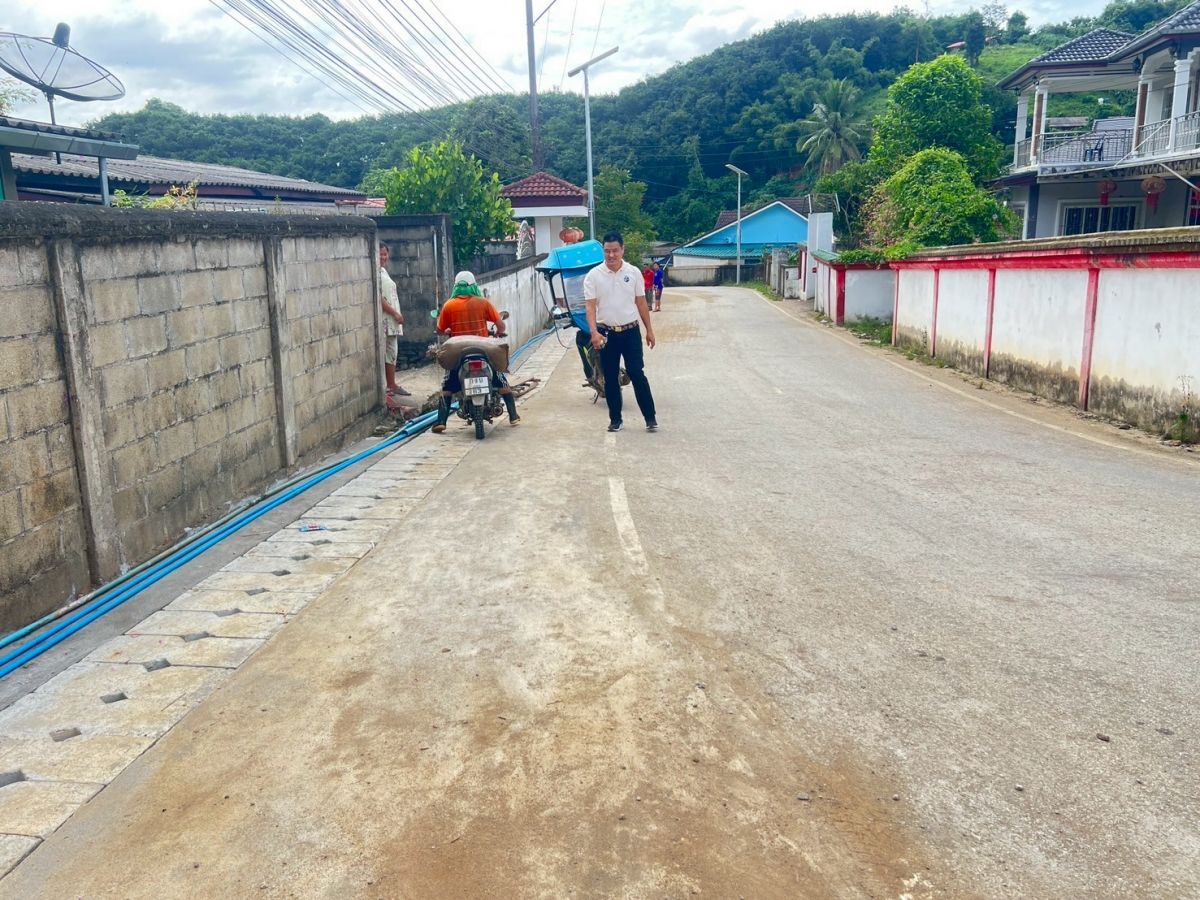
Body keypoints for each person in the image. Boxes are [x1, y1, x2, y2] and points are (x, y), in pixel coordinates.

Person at [584, 232, 658, 433]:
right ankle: (615, 419)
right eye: (607, 251)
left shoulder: (633, 272)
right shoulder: (594, 276)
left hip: (630, 331)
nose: (611, 255)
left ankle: (650, 417)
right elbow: (590, 307)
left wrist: (649, 330)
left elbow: (641, 302)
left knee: (636, 372)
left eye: (615, 250)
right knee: (610, 376)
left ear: (622, 250)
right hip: (606, 334)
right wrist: (594, 332)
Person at [432, 270, 521, 433]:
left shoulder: (449, 305)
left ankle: (441, 421)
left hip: (459, 350)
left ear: (456, 287)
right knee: (500, 379)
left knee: (447, 386)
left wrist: (447, 331)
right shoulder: (483, 303)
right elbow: (501, 326)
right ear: (474, 286)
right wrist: (498, 332)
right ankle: (513, 415)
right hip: (482, 347)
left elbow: (439, 329)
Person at [378, 243, 411, 403]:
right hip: (385, 318)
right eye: (380, 254)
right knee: (386, 352)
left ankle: (391, 384)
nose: (383, 257)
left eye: (385, 254)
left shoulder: (383, 271)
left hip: (391, 320)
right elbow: (380, 299)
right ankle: (388, 385)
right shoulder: (375, 273)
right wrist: (395, 313)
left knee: (392, 352)